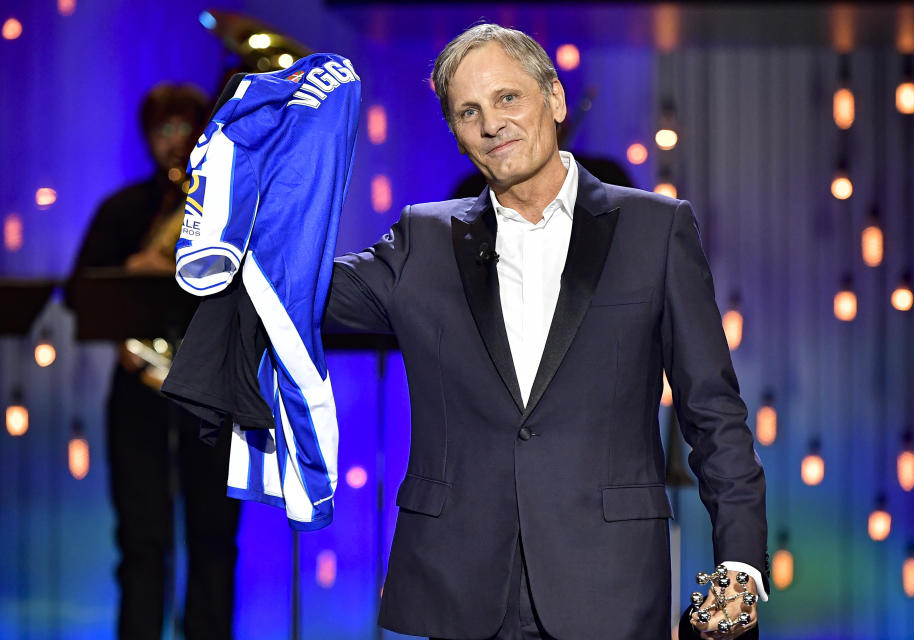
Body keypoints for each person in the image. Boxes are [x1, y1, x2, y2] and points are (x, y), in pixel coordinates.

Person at [323, 24, 768, 640]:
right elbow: (298, 293)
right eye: (468, 111)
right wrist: (251, 183)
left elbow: (713, 410)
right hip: (464, 587)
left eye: (508, 98)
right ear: (456, 134)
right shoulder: (423, 239)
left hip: (609, 582)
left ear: (554, 99)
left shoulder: (655, 229)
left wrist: (739, 560)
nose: (491, 124)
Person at [71, 83, 240, 640]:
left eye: (185, 127)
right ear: (147, 137)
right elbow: (81, 296)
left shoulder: (226, 209)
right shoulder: (122, 210)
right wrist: (133, 270)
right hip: (139, 395)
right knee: (143, 539)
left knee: (213, 538)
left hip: (210, 392)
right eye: (163, 129)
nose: (175, 141)